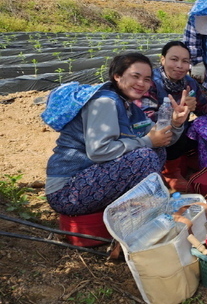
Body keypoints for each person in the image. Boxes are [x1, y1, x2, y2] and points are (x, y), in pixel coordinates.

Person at [45, 53, 190, 216]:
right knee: (144, 156)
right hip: (67, 190)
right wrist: (147, 142)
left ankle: (139, 209)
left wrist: (176, 123)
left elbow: (161, 139)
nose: (141, 83)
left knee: (157, 151)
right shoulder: (104, 103)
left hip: (92, 179)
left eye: (147, 79)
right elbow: (98, 151)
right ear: (117, 76)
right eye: (136, 76)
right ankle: (142, 211)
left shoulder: (131, 108)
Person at [136, 41, 207, 191]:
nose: (179, 65)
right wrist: (176, 112)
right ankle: (170, 173)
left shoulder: (189, 83)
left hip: (180, 131)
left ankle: (194, 159)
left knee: (206, 123)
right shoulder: (151, 82)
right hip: (154, 134)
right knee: (172, 128)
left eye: (185, 61)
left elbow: (202, 108)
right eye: (174, 59)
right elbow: (145, 117)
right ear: (163, 59)